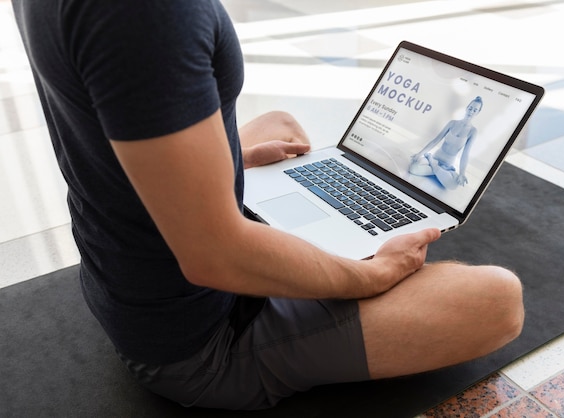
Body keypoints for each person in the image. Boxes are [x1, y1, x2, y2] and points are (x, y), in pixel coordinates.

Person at [11, 0, 524, 411]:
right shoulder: (147, 16)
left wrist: (230, 164)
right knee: (497, 300)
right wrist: (371, 274)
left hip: (123, 271)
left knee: (279, 125)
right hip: (200, 340)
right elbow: (216, 256)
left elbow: (106, 122)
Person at [409, 97, 483, 189]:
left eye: (475, 110)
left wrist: (462, 173)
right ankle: (437, 168)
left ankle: (433, 166)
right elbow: (436, 140)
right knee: (413, 168)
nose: (471, 112)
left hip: (447, 164)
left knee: (453, 186)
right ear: (467, 108)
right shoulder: (452, 123)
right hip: (436, 157)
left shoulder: (473, 131)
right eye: (470, 108)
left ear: (478, 113)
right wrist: (420, 153)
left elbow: (465, 154)